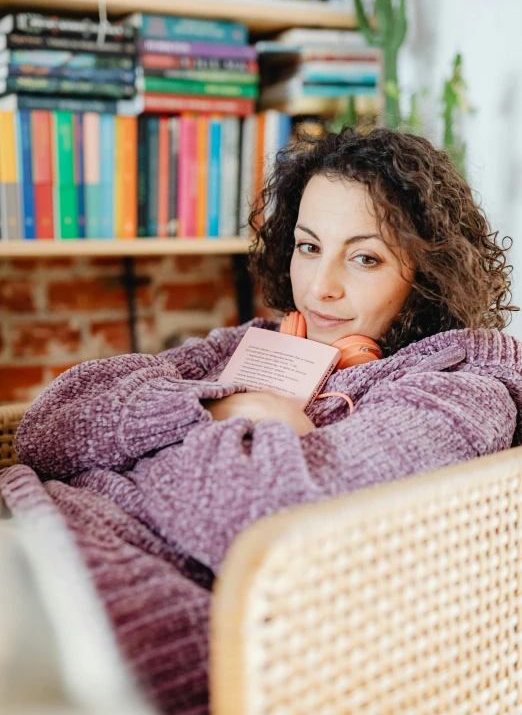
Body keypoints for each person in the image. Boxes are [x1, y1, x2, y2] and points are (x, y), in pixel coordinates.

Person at [1, 127, 521, 715]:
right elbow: (46, 431)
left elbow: (267, 519)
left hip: (87, 596)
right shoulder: (260, 340)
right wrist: (218, 409)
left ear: (427, 274)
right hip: (29, 523)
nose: (321, 288)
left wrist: (138, 446)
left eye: (365, 257)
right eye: (307, 246)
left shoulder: (458, 389)